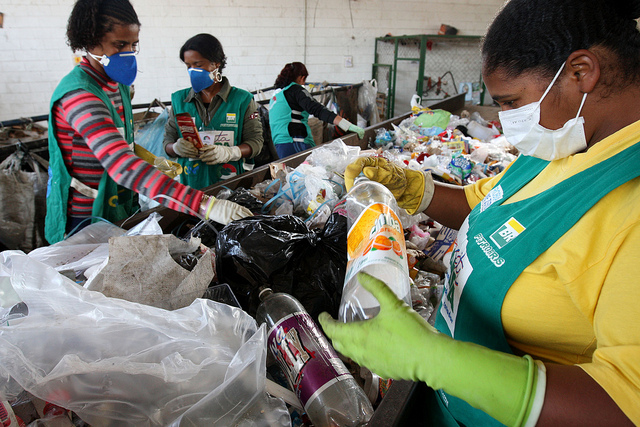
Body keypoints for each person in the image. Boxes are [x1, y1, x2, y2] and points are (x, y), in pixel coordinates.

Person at [319, 0, 640, 425]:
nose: (506, 121)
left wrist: (436, 360)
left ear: (581, 72)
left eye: (511, 102)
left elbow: (626, 402)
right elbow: (484, 201)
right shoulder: (566, 140)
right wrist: (417, 187)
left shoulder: (628, 204)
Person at [46, 0, 252, 244]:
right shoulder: (80, 95)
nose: (128, 54)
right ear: (90, 41)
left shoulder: (117, 86)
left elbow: (119, 140)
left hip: (117, 205)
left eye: (133, 45)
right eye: (119, 45)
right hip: (84, 217)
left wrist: (151, 160)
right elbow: (121, 163)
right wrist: (204, 204)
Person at [163, 34, 263, 190]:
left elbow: (256, 143)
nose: (192, 71)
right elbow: (167, 141)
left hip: (230, 184)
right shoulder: (179, 100)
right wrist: (175, 147)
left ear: (216, 64)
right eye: (188, 66)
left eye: (197, 64)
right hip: (190, 187)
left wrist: (231, 152)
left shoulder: (242, 100)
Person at [268, 62, 365, 158]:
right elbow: (318, 109)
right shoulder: (296, 90)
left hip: (280, 145)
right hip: (295, 142)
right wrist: (347, 125)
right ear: (301, 78)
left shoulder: (276, 96)